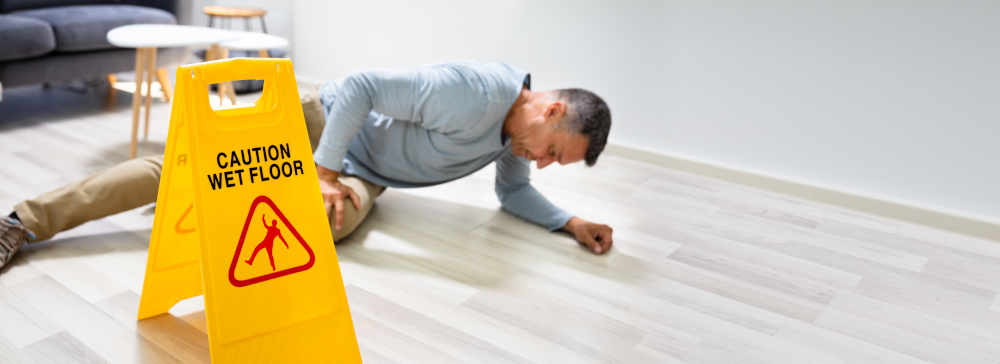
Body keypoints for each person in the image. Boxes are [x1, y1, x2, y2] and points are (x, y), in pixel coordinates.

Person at [0, 60, 614, 271]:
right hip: (325, 121)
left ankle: (228, 199)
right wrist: (320, 169)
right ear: (551, 110)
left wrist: (570, 221)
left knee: (330, 227)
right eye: (555, 152)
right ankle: (22, 221)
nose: (545, 164)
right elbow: (363, 87)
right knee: (188, 171)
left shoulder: (515, 141)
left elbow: (513, 194)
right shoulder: (475, 93)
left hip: (366, 166)